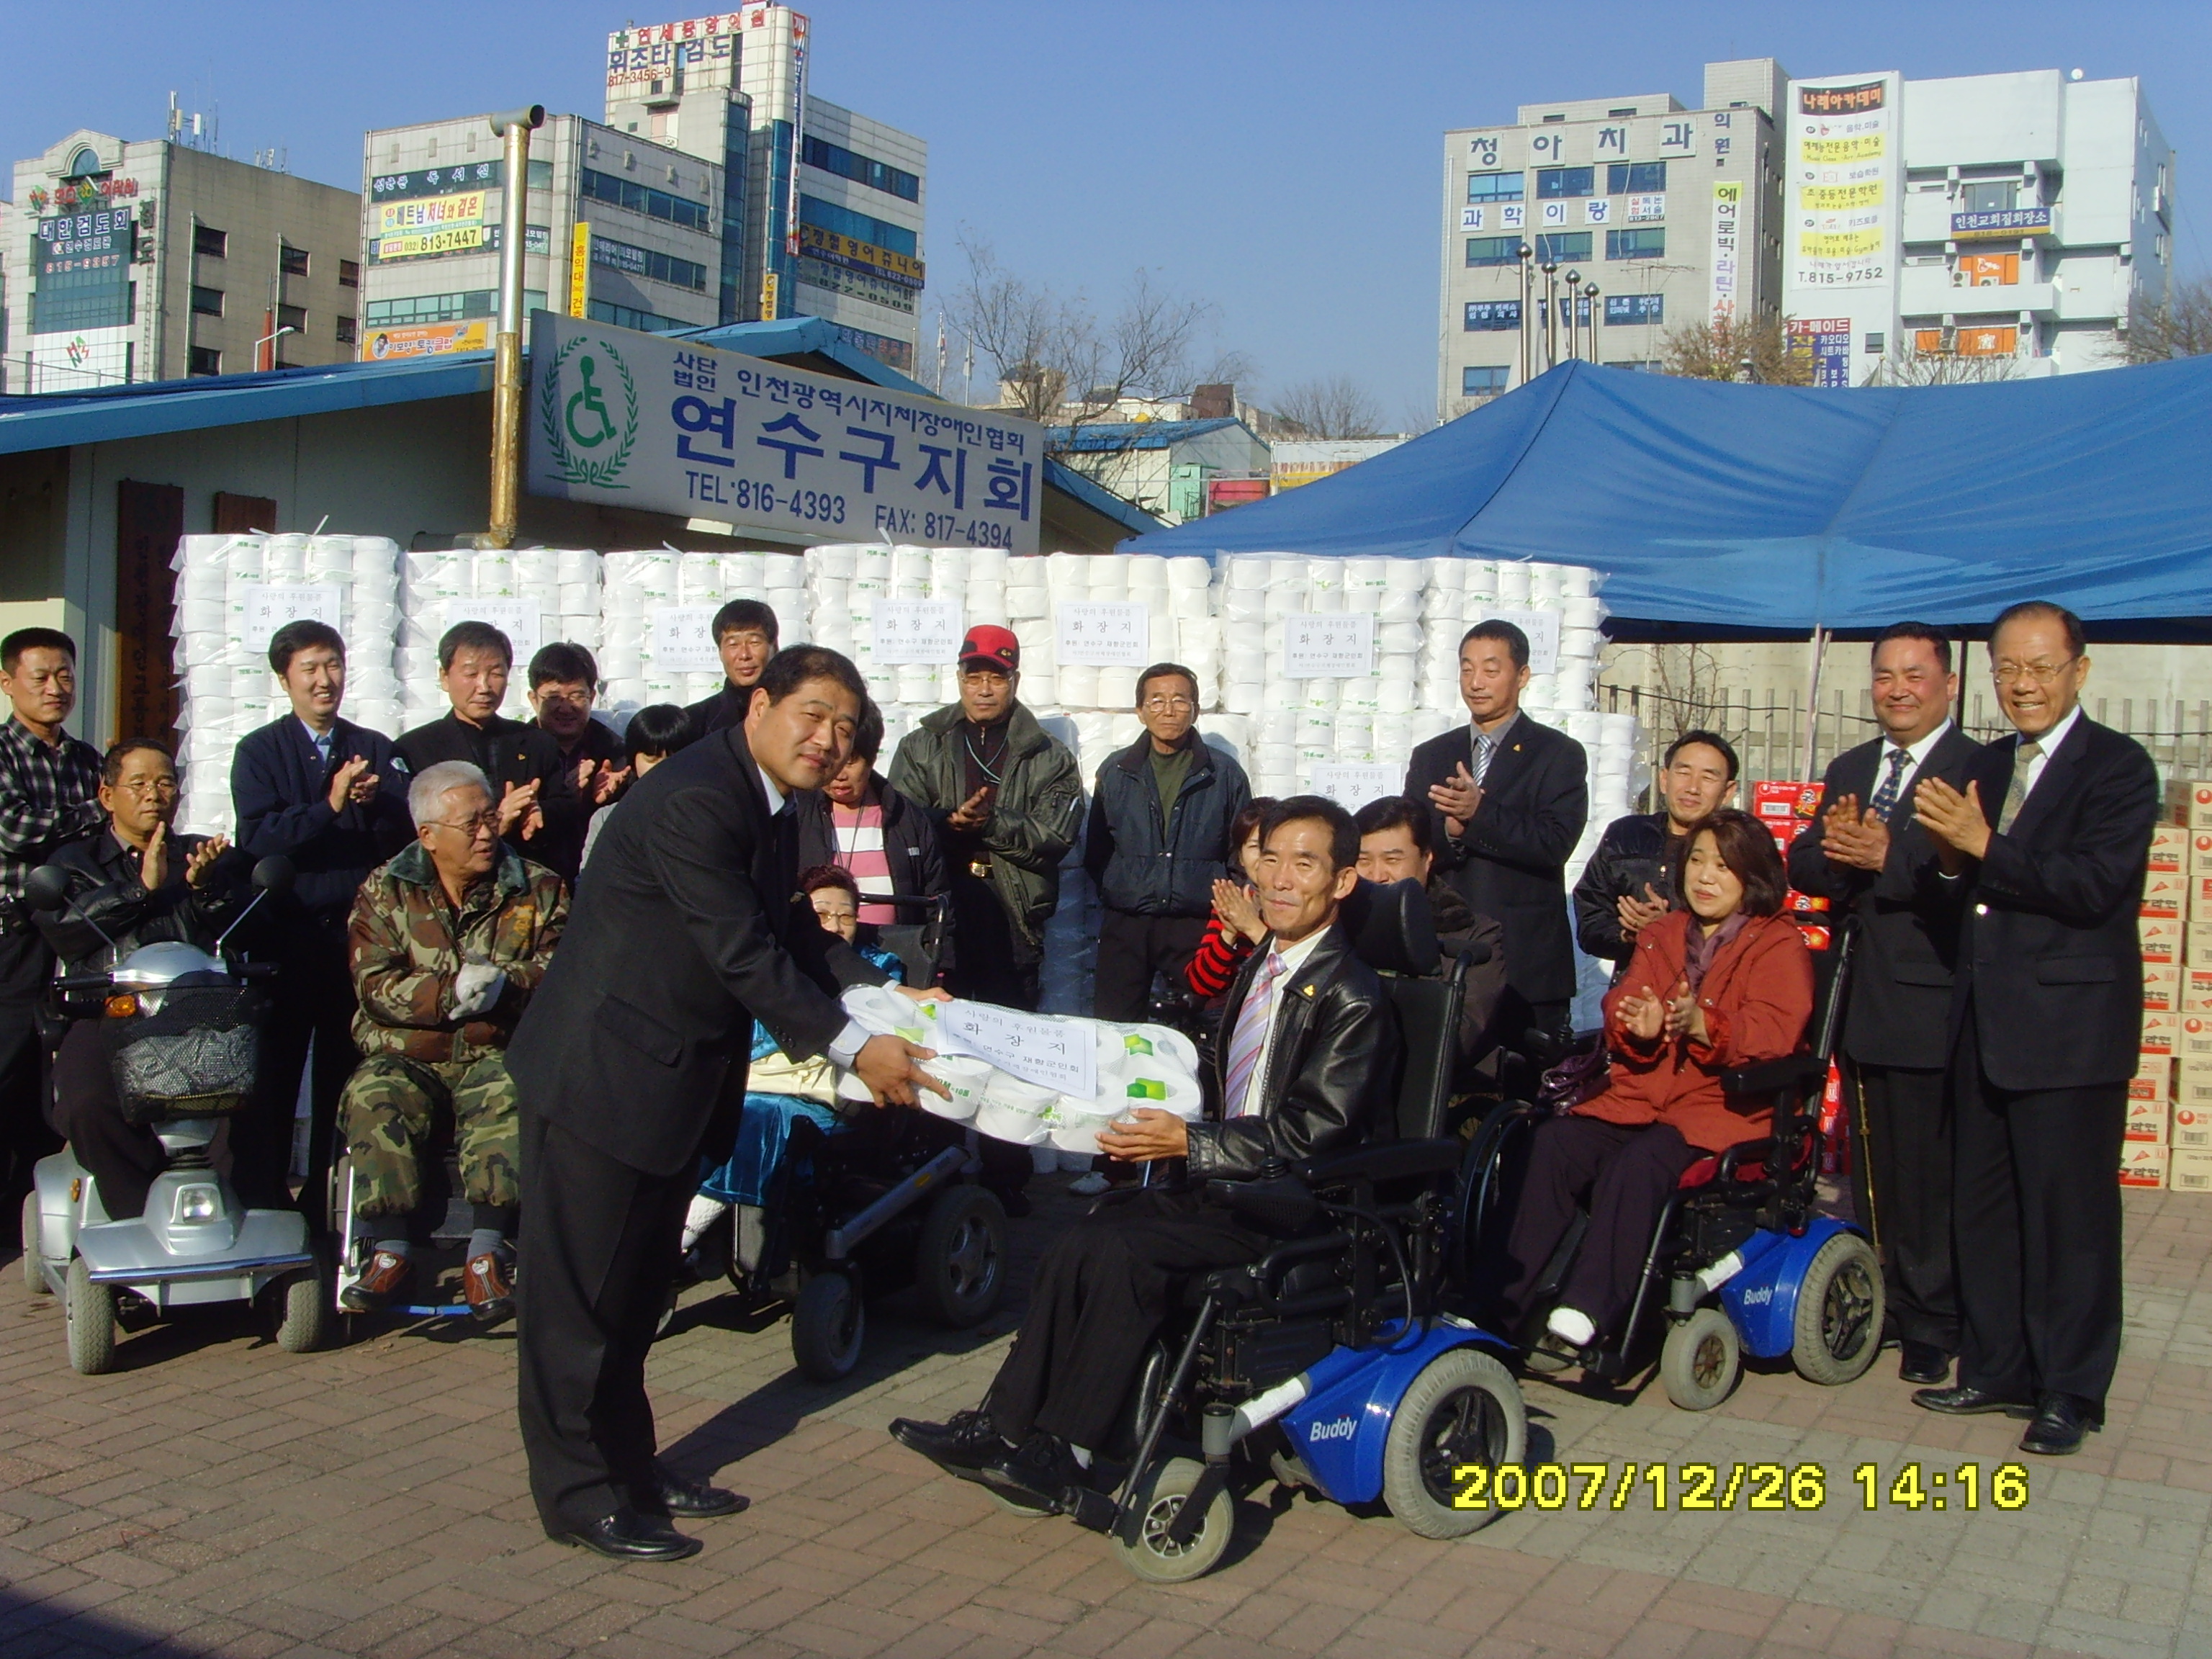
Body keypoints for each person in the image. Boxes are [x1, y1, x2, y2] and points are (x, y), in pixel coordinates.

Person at [509, 646, 943, 1563]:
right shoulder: (699, 796)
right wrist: (858, 1047)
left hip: (669, 1084)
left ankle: (629, 1465)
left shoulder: (775, 801)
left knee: (632, 1295)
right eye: (813, 716)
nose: (829, 740)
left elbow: (790, 929)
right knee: (578, 1300)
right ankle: (578, 1494)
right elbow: (743, 954)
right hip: (604, 1080)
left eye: (846, 726)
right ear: (759, 703)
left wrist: (890, 997)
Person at [890, 796, 1402, 1511]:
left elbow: (1315, 1131)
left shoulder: (1352, 996)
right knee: (1084, 1236)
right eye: (1272, 859)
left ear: (1343, 882)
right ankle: (1003, 1426)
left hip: (1293, 1201)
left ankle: (1066, 1449)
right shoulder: (1265, 962)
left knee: (1126, 1253)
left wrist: (1189, 1142)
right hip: (1226, 1180)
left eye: (1305, 864)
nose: (1281, 879)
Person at [1911, 602, 2159, 1456]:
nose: (2024, 685)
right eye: (2009, 669)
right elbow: (1955, 891)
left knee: (2069, 1216)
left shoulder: (2118, 768)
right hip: (1982, 1021)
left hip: (2069, 1029)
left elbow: (2093, 886)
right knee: (1982, 1207)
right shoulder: (1983, 763)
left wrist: (1983, 844)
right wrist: (1947, 861)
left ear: (2079, 672)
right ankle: (1996, 1365)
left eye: (2042, 668)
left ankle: (2071, 1389)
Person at [1497, 809, 1812, 1355]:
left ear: (1753, 876)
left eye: (1723, 865)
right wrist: (1633, 1022)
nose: (1705, 876)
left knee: (1638, 1166)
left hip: (1723, 1110)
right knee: (1553, 1144)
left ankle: (1590, 1306)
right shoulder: (1665, 932)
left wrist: (1703, 1024)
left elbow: (1775, 1032)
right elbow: (1627, 997)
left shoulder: (1777, 944)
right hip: (1642, 1096)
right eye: (1697, 861)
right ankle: (1502, 1301)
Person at [1786, 624, 1978, 1386]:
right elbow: (1805, 859)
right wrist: (1838, 850)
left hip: (1934, 993)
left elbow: (1967, 880)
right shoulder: (1853, 766)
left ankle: (1936, 1317)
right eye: (1884, 676)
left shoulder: (1976, 769)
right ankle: (1888, 1297)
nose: (1897, 689)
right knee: (1869, 1165)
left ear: (1949, 684)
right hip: (1858, 991)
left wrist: (1886, 857)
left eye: (1914, 674)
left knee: (1929, 1168)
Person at [336, 760, 565, 1321]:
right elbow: (372, 984)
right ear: (428, 836)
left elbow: (564, 971)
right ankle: (390, 1249)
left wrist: (506, 985)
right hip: (408, 1054)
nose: (487, 833)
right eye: (472, 824)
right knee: (372, 1095)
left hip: (497, 1049)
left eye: (491, 818)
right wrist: (446, 993)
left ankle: (487, 1254)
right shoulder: (385, 890)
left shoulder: (536, 887)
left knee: (511, 1091)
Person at [233, 620, 415, 1210]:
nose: (324, 680)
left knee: (346, 1069)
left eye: (332, 665)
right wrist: (330, 804)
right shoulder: (259, 751)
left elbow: (404, 835)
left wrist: (374, 804)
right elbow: (259, 839)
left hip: (355, 937)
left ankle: (331, 1201)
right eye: (309, 668)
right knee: (276, 1072)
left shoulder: (373, 746)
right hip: (285, 935)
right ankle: (262, 1195)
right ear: (284, 678)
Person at [35, 741, 244, 1221]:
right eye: (140, 784)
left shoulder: (200, 856)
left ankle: (253, 1215)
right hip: (107, 1014)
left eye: (165, 782)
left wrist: (204, 888)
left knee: (258, 1084)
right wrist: (139, 889)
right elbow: (65, 932)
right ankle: (135, 1217)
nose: (154, 794)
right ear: (107, 796)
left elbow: (243, 927)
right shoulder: (75, 863)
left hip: (194, 1017)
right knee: (88, 1105)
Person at [678, 866, 909, 1272]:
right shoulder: (774, 967)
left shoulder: (880, 967)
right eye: (823, 916)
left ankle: (678, 1243)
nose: (836, 926)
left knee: (757, 1118)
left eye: (847, 917)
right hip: (753, 1076)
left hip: (826, 1093)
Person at [1403, 619, 1587, 1045]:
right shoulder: (1433, 754)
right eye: (1467, 669)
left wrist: (1480, 815)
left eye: (1490, 669)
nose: (1476, 682)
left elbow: (1554, 842)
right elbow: (1413, 839)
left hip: (1527, 961)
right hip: (1448, 949)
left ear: (1521, 675)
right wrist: (1448, 835)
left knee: (1524, 1093)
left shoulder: (1558, 754)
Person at [888, 626, 1083, 1014]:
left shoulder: (1049, 755)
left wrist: (990, 823)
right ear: (959, 679)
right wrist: (947, 821)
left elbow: (1056, 837)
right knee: (941, 1019)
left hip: (1012, 905)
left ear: (1016, 681)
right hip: (943, 901)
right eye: (973, 677)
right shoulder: (923, 744)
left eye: (996, 678)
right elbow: (899, 820)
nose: (984, 689)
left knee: (1011, 1024)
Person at [0, 628, 102, 1229]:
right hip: (16, 936)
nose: (55, 688)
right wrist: (92, 809)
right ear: (9, 682)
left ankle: (34, 1205)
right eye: (40, 676)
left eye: (64, 674)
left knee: (60, 1070)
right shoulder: (5, 753)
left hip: (78, 935)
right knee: (9, 1060)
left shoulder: (87, 758)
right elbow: (14, 831)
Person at [1084, 662, 1251, 1022]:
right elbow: (1097, 848)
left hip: (1196, 921)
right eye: (1157, 701)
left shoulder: (1224, 774)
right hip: (1128, 922)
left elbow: (1241, 850)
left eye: (1179, 700)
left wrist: (1223, 903)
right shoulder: (1116, 771)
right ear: (1140, 712)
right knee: (1115, 1025)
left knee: (1205, 1022)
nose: (1168, 709)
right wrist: (1120, 885)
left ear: (1196, 709)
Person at [1353, 795, 1508, 1082]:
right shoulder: (1338, 926)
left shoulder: (1474, 935)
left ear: (1427, 859)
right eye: (1364, 861)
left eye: (1392, 860)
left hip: (1435, 1088)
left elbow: (1461, 1036)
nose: (1376, 875)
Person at [395, 621, 569, 866]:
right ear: (444, 677)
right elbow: (406, 831)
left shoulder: (536, 743)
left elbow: (564, 808)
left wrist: (538, 814)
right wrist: (496, 821)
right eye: (471, 674)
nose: (484, 687)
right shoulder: (415, 749)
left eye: (496, 674)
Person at [793, 701, 950, 969]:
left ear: (872, 759)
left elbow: (937, 901)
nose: (839, 774)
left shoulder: (906, 819)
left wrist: (939, 968)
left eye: (851, 762)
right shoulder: (795, 815)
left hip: (890, 963)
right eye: (832, 759)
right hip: (812, 961)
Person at [1574, 731, 1740, 974]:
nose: (1693, 788)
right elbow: (1591, 919)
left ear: (1728, 792)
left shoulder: (1741, 850)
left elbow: (1750, 932)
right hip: (1635, 992)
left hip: (1709, 994)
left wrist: (1668, 928)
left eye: (1708, 777)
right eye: (1683, 773)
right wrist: (1628, 934)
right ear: (1664, 779)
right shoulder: (1626, 837)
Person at [526, 642, 629, 886]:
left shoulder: (614, 752)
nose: (566, 707)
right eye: (553, 697)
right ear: (533, 699)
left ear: (592, 697)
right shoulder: (518, 751)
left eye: (576, 696)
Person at [580, 703, 697, 873]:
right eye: (651, 757)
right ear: (633, 759)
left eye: (674, 757)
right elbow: (588, 881)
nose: (662, 768)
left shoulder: (705, 817)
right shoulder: (608, 818)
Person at [1184, 798, 1272, 1002]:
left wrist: (1253, 927)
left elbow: (1296, 970)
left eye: (1271, 848)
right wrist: (1229, 932)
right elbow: (1201, 984)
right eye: (1254, 847)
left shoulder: (1297, 904)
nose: (1264, 857)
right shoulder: (1234, 903)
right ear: (1240, 857)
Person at [683, 599, 779, 738]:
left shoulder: (797, 713)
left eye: (754, 642)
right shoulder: (694, 723)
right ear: (720, 652)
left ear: (774, 647)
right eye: (733, 645)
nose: (744, 655)